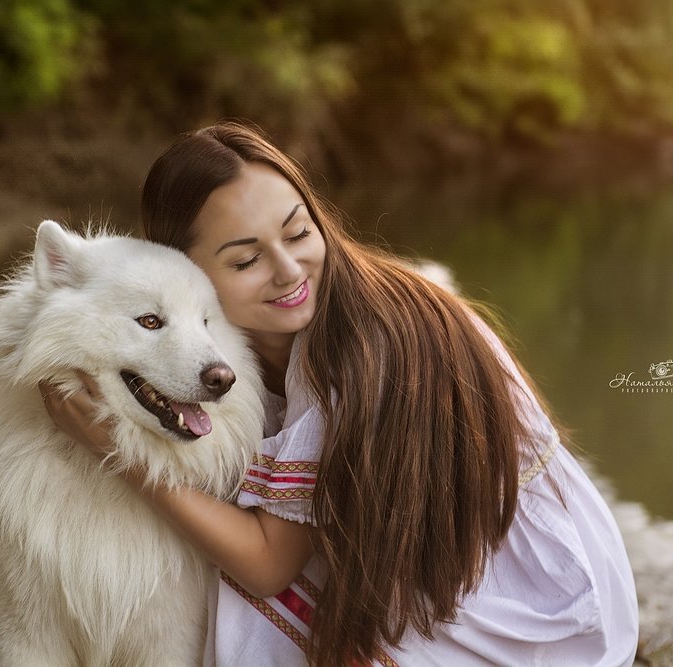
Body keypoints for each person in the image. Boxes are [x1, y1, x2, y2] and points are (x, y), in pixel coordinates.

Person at [40, 122, 639, 666]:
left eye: (299, 233)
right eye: (246, 259)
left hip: (523, 598)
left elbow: (267, 566)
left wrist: (110, 446)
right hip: (424, 555)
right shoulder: (244, 347)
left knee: (231, 589)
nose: (289, 270)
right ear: (184, 270)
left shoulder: (355, 350)